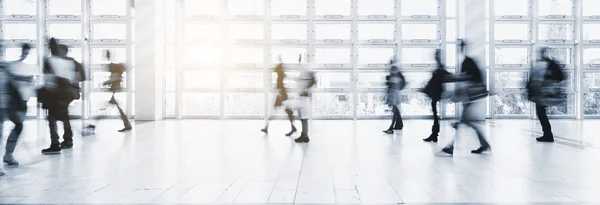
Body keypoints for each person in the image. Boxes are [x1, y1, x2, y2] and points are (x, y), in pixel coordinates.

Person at [440, 40, 490, 155]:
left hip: (470, 96)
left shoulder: (467, 61)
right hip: (470, 96)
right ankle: (484, 144)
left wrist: (454, 78)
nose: (458, 48)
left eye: (459, 46)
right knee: (467, 121)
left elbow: (467, 78)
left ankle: (451, 146)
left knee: (465, 121)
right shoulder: (468, 61)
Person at [40, 39, 85, 155]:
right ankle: (68, 140)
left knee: (52, 119)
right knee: (64, 116)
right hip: (68, 92)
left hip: (56, 93)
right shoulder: (71, 61)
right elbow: (81, 76)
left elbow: (49, 79)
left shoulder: (50, 60)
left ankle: (55, 144)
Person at [1, 43, 35, 167]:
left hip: (12, 102)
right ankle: (8, 154)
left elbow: (12, 78)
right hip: (8, 102)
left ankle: (8, 154)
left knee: (18, 126)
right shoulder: (7, 66)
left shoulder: (7, 67)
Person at [85, 50, 132, 134]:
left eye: (105, 55)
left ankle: (92, 126)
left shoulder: (113, 65)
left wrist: (106, 82)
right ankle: (127, 125)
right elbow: (117, 77)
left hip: (115, 91)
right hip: (115, 91)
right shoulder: (114, 65)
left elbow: (116, 77)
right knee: (113, 109)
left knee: (103, 108)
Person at [527, 47, 566, 143]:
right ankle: (547, 134)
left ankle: (548, 135)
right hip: (542, 93)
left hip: (543, 93)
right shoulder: (547, 64)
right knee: (541, 113)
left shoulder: (549, 64)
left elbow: (560, 76)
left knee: (541, 113)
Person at [261, 56, 296, 136]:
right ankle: (267, 128)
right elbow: (278, 70)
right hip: (282, 94)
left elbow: (276, 69)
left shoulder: (280, 75)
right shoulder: (280, 74)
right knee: (287, 111)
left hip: (281, 94)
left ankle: (266, 128)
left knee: (278, 111)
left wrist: (280, 62)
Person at [423, 49, 451, 142]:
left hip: (436, 94)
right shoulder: (439, 67)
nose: (435, 56)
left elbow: (443, 77)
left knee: (435, 115)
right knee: (435, 115)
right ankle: (434, 134)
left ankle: (434, 134)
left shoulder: (440, 67)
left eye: (436, 55)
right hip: (436, 94)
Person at [293, 58, 316, 143]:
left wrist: (306, 90)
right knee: (302, 117)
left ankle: (305, 136)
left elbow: (313, 81)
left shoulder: (308, 72)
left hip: (304, 98)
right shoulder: (304, 73)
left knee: (303, 117)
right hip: (302, 97)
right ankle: (304, 135)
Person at [383, 57, 405, 134]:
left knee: (395, 110)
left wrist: (389, 93)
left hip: (394, 93)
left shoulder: (394, 69)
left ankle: (391, 127)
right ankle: (397, 125)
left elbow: (392, 83)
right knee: (395, 110)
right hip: (395, 92)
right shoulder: (396, 70)